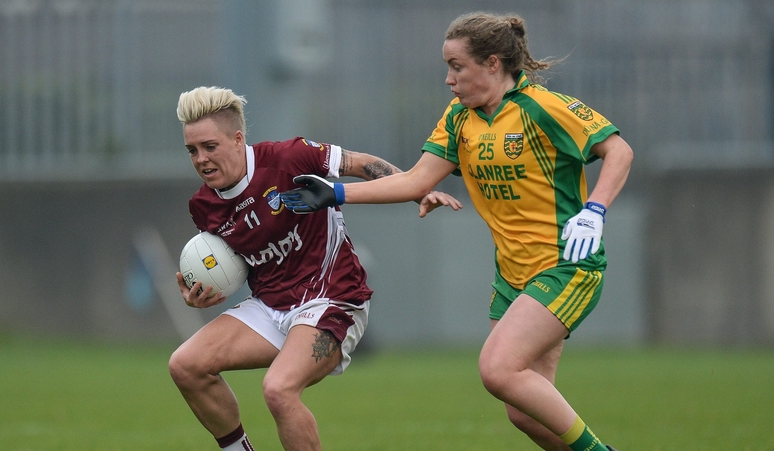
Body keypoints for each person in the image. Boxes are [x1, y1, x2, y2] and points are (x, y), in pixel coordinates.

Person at [280, 12, 633, 451]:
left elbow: (618, 150)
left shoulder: (543, 107)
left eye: (456, 66)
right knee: (524, 411)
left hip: (566, 265)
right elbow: (415, 181)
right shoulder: (459, 118)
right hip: (513, 277)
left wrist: (594, 210)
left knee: (498, 369)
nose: (448, 79)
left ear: (491, 64)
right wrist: (336, 192)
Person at [167, 86, 460, 451]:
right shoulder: (204, 206)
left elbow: (360, 163)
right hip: (271, 306)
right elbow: (229, 266)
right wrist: (204, 293)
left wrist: (418, 188)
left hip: (334, 299)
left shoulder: (289, 157)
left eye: (210, 146)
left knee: (279, 389)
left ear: (238, 139)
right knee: (185, 365)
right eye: (192, 150)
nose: (201, 159)